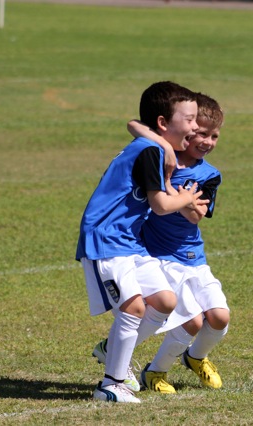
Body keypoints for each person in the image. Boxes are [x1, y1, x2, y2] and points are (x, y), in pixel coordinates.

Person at [76, 81, 209, 404]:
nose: (195, 126)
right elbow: (161, 205)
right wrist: (188, 198)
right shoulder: (150, 150)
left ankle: (112, 350)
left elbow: (136, 126)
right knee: (133, 308)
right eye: (189, 119)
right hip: (106, 238)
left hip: (129, 241)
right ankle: (111, 384)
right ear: (163, 124)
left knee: (164, 301)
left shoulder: (156, 146)